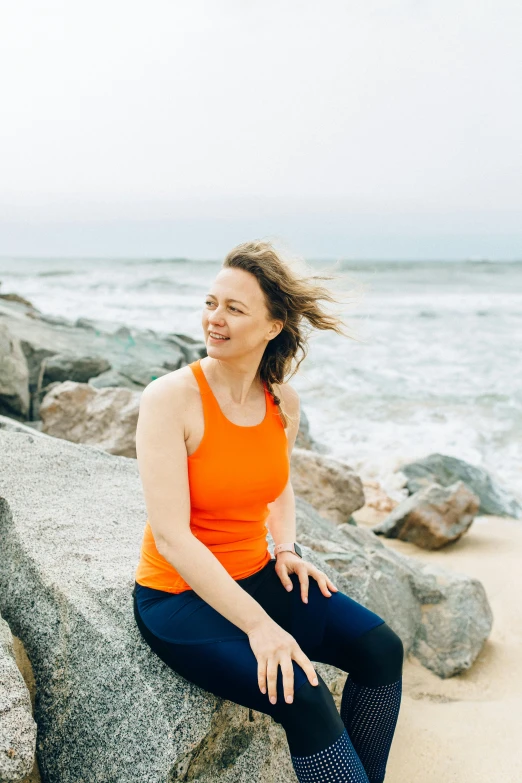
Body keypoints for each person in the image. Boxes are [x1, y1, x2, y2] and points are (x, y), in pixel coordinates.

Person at [132, 239, 404, 782]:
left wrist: (285, 548)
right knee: (305, 696)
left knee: (380, 649)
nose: (215, 318)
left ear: (273, 326)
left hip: (257, 572)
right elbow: (172, 538)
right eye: (211, 303)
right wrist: (261, 628)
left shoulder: (281, 400)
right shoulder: (170, 399)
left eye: (234, 309)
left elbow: (276, 487)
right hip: (179, 598)